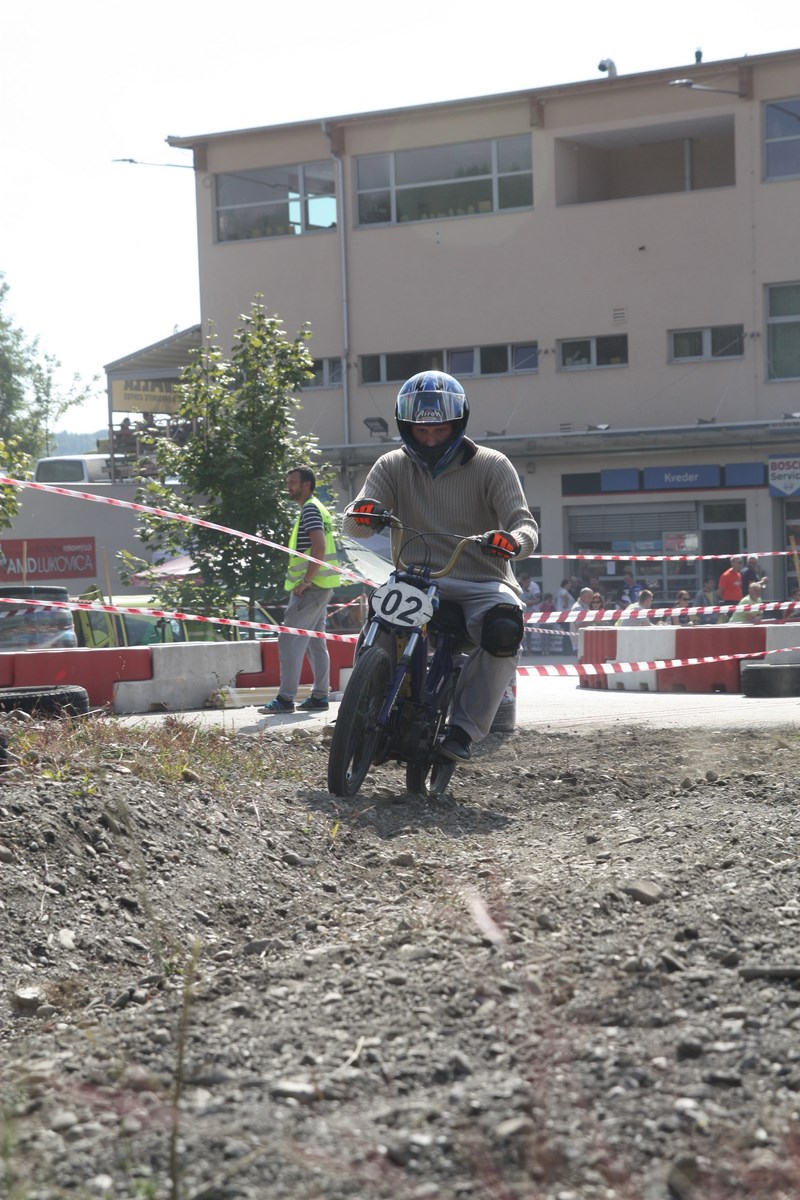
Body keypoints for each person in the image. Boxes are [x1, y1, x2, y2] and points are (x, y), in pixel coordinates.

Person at [343, 370, 537, 763]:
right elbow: (354, 523)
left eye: (440, 430)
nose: (430, 440)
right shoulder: (391, 465)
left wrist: (513, 542)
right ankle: (362, 709)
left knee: (504, 628)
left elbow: (524, 524)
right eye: (421, 431)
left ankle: (464, 730)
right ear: (406, 428)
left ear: (458, 423)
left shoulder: (492, 465)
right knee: (380, 622)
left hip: (483, 579)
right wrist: (364, 514)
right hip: (413, 576)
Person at [260, 466, 340, 715]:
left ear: (307, 484)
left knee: (288, 639)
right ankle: (320, 696)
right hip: (321, 585)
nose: (289, 487)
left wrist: (306, 580)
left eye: (293, 482)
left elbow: (319, 546)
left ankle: (286, 699)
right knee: (316, 641)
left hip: (311, 588)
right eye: (288, 482)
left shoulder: (310, 509)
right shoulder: (318, 508)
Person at [567, 586, 595, 652]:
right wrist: (594, 620)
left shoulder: (585, 606)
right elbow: (579, 625)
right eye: (590, 597)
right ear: (583, 597)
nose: (591, 600)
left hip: (584, 641)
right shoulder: (577, 608)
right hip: (580, 643)